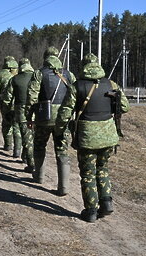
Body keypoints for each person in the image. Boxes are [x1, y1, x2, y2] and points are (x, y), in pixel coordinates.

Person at [55, 53, 129, 222]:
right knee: (102, 169)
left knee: (88, 173)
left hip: (87, 137)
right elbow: (125, 106)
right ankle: (107, 203)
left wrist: (60, 131)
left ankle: (91, 211)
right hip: (109, 136)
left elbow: (65, 113)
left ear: (83, 66)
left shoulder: (77, 86)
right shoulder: (111, 84)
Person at [25, 46, 76, 196]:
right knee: (62, 150)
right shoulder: (68, 74)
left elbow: (32, 97)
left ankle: (39, 177)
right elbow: (75, 94)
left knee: (39, 145)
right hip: (63, 118)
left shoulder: (39, 73)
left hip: (43, 118)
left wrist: (30, 117)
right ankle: (63, 188)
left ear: (45, 58)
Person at [3, 58, 35, 172]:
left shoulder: (15, 79)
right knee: (35, 137)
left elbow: (7, 98)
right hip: (38, 110)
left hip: (21, 111)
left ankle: (31, 164)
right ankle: (27, 158)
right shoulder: (38, 77)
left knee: (26, 137)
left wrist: (7, 111)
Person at [0, 56, 22, 157]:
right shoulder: (20, 73)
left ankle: (8, 145)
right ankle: (18, 150)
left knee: (6, 124)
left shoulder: (0, 74)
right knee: (17, 126)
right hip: (19, 103)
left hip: (5, 103)